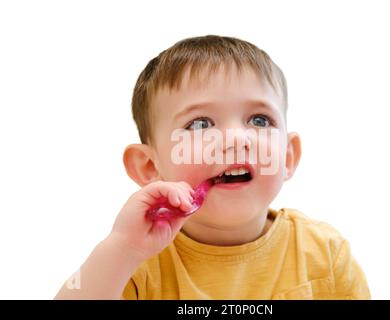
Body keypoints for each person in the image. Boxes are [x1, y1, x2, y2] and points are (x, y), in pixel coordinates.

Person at [55, 35, 370, 300]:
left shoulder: (324, 254)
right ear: (150, 167)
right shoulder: (136, 261)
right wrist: (122, 248)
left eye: (259, 120)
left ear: (288, 156)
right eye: (200, 124)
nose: (235, 138)